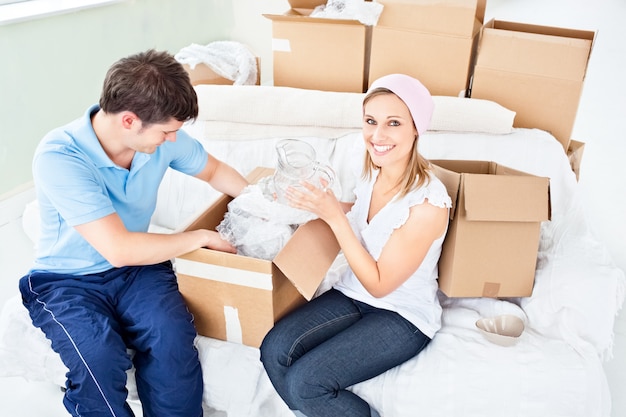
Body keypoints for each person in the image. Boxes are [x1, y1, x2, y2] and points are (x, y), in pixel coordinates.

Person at [18, 49, 249, 417]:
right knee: (98, 357)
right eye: (167, 132)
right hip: (66, 280)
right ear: (129, 121)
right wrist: (199, 238)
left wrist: (265, 204)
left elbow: (214, 171)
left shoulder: (157, 140)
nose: (173, 140)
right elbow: (119, 249)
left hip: (138, 270)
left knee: (171, 339)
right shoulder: (59, 156)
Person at [259, 74, 452, 417]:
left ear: (416, 129)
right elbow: (365, 218)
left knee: (306, 384)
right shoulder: (374, 170)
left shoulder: (428, 205)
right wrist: (317, 203)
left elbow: (379, 285)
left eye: (394, 123)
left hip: (401, 315)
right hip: (352, 293)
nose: (377, 136)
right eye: (370, 121)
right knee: (273, 349)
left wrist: (334, 217)